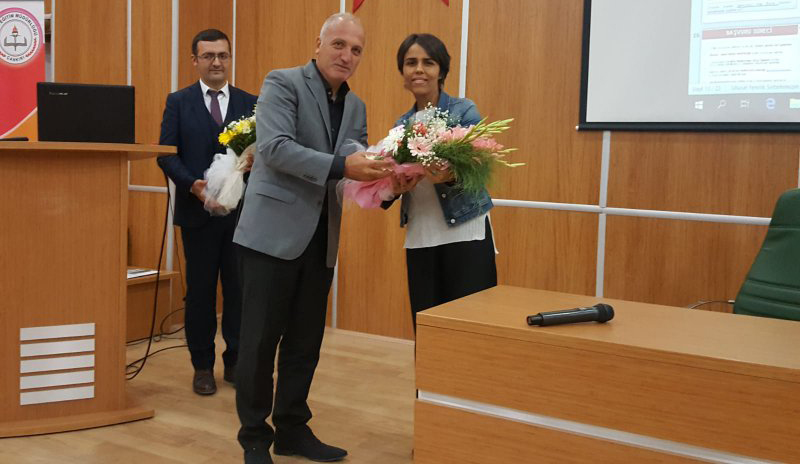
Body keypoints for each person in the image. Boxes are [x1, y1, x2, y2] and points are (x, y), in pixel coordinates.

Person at [232, 13, 391, 464]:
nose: (347, 56)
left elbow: (354, 162)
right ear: (318, 44)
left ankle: (292, 429)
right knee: (259, 343)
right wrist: (344, 166)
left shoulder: (356, 106)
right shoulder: (281, 83)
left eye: (356, 50)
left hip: (322, 239)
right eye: (339, 44)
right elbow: (275, 148)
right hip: (270, 236)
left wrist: (386, 178)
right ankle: (254, 438)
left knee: (305, 343)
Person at [157, 29, 257, 396]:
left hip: (241, 218)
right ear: (195, 60)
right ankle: (202, 366)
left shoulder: (251, 102)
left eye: (223, 55)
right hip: (197, 217)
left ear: (230, 59)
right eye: (208, 56)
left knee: (239, 292)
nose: (216, 62)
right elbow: (166, 154)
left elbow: (265, 152)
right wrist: (193, 186)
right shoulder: (178, 102)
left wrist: (254, 164)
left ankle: (235, 361)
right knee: (199, 294)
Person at [387, 33, 498, 329]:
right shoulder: (400, 126)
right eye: (411, 62)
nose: (419, 69)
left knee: (470, 328)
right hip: (421, 234)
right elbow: (390, 181)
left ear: (441, 71)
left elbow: (478, 165)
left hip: (465, 231)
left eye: (428, 62)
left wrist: (448, 177)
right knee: (427, 329)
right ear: (403, 72)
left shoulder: (464, 110)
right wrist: (393, 188)